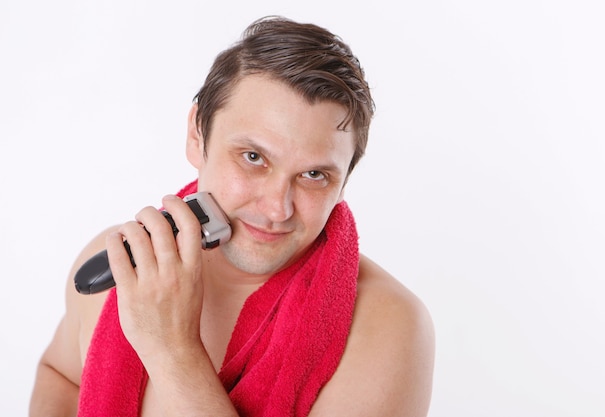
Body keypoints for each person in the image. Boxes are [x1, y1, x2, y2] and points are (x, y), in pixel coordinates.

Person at [29, 16, 435, 417]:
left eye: (314, 175)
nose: (277, 208)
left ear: (344, 182)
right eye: (253, 158)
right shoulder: (119, 261)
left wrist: (172, 348)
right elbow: (62, 376)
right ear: (196, 135)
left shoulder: (388, 328)